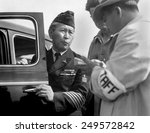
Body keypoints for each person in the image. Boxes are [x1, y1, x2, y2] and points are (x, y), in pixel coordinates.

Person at [78, 0, 150, 116]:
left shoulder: (134, 33)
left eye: (105, 18)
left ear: (118, 11)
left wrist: (93, 71)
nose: (104, 23)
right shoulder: (139, 30)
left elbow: (110, 86)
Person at [20, 10, 89, 116]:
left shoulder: (80, 61)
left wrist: (54, 96)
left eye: (71, 32)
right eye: (63, 31)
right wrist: (22, 70)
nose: (67, 36)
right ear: (51, 32)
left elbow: (81, 95)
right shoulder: (38, 58)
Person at [82, 0, 118, 116]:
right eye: (93, 16)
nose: (98, 20)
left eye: (101, 14)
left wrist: (103, 69)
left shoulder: (124, 37)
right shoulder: (94, 42)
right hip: (98, 102)